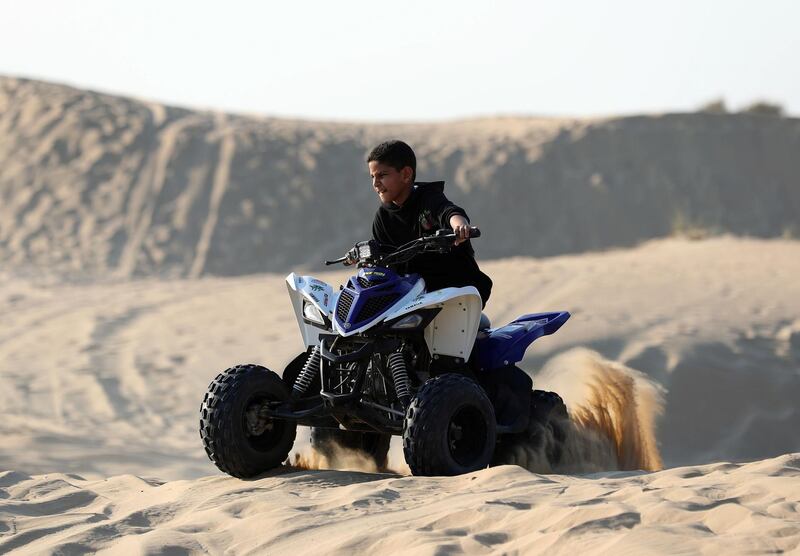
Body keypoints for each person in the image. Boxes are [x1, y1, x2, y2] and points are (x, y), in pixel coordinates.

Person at [365, 140, 492, 307]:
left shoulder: (428, 199)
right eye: (372, 177)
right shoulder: (382, 217)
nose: (375, 184)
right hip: (413, 302)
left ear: (406, 174)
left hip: (456, 295)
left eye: (382, 175)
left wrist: (460, 227)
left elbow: (448, 211)